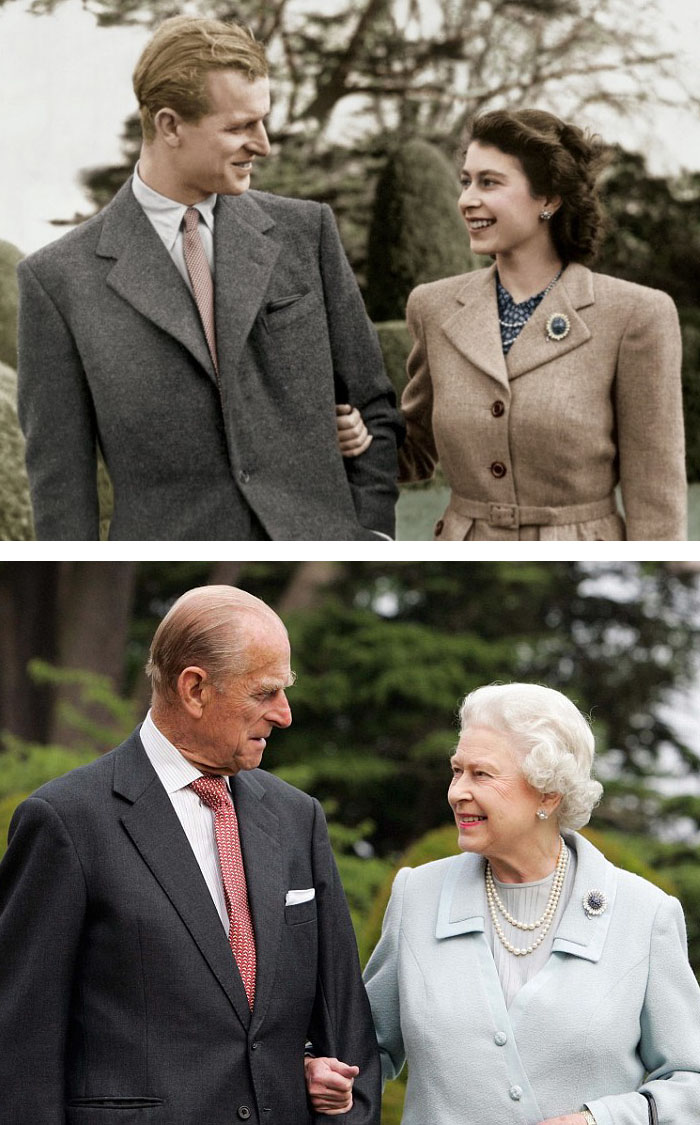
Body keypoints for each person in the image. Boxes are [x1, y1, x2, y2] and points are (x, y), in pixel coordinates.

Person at [0, 585, 380, 1124]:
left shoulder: (299, 819)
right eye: (265, 693)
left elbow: (348, 1032)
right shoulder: (65, 821)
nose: (285, 714)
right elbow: (19, 1049)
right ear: (195, 688)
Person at [17, 16, 402, 541]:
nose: (263, 144)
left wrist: (370, 536)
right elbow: (62, 491)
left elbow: (373, 406)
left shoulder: (305, 232)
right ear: (170, 125)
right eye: (240, 127)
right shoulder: (57, 280)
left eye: (262, 121)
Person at [311, 682, 700, 1123]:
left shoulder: (645, 915)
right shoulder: (416, 896)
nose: (457, 791)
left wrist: (601, 1120)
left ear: (548, 794)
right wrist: (326, 1074)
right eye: (457, 771)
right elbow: (362, 1051)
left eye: (482, 774)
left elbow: (691, 1081)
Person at [337, 109, 687, 540]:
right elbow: (415, 449)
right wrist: (362, 439)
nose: (466, 199)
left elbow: (655, 496)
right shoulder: (433, 307)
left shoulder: (637, 315)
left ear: (549, 199)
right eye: (466, 181)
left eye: (489, 182)